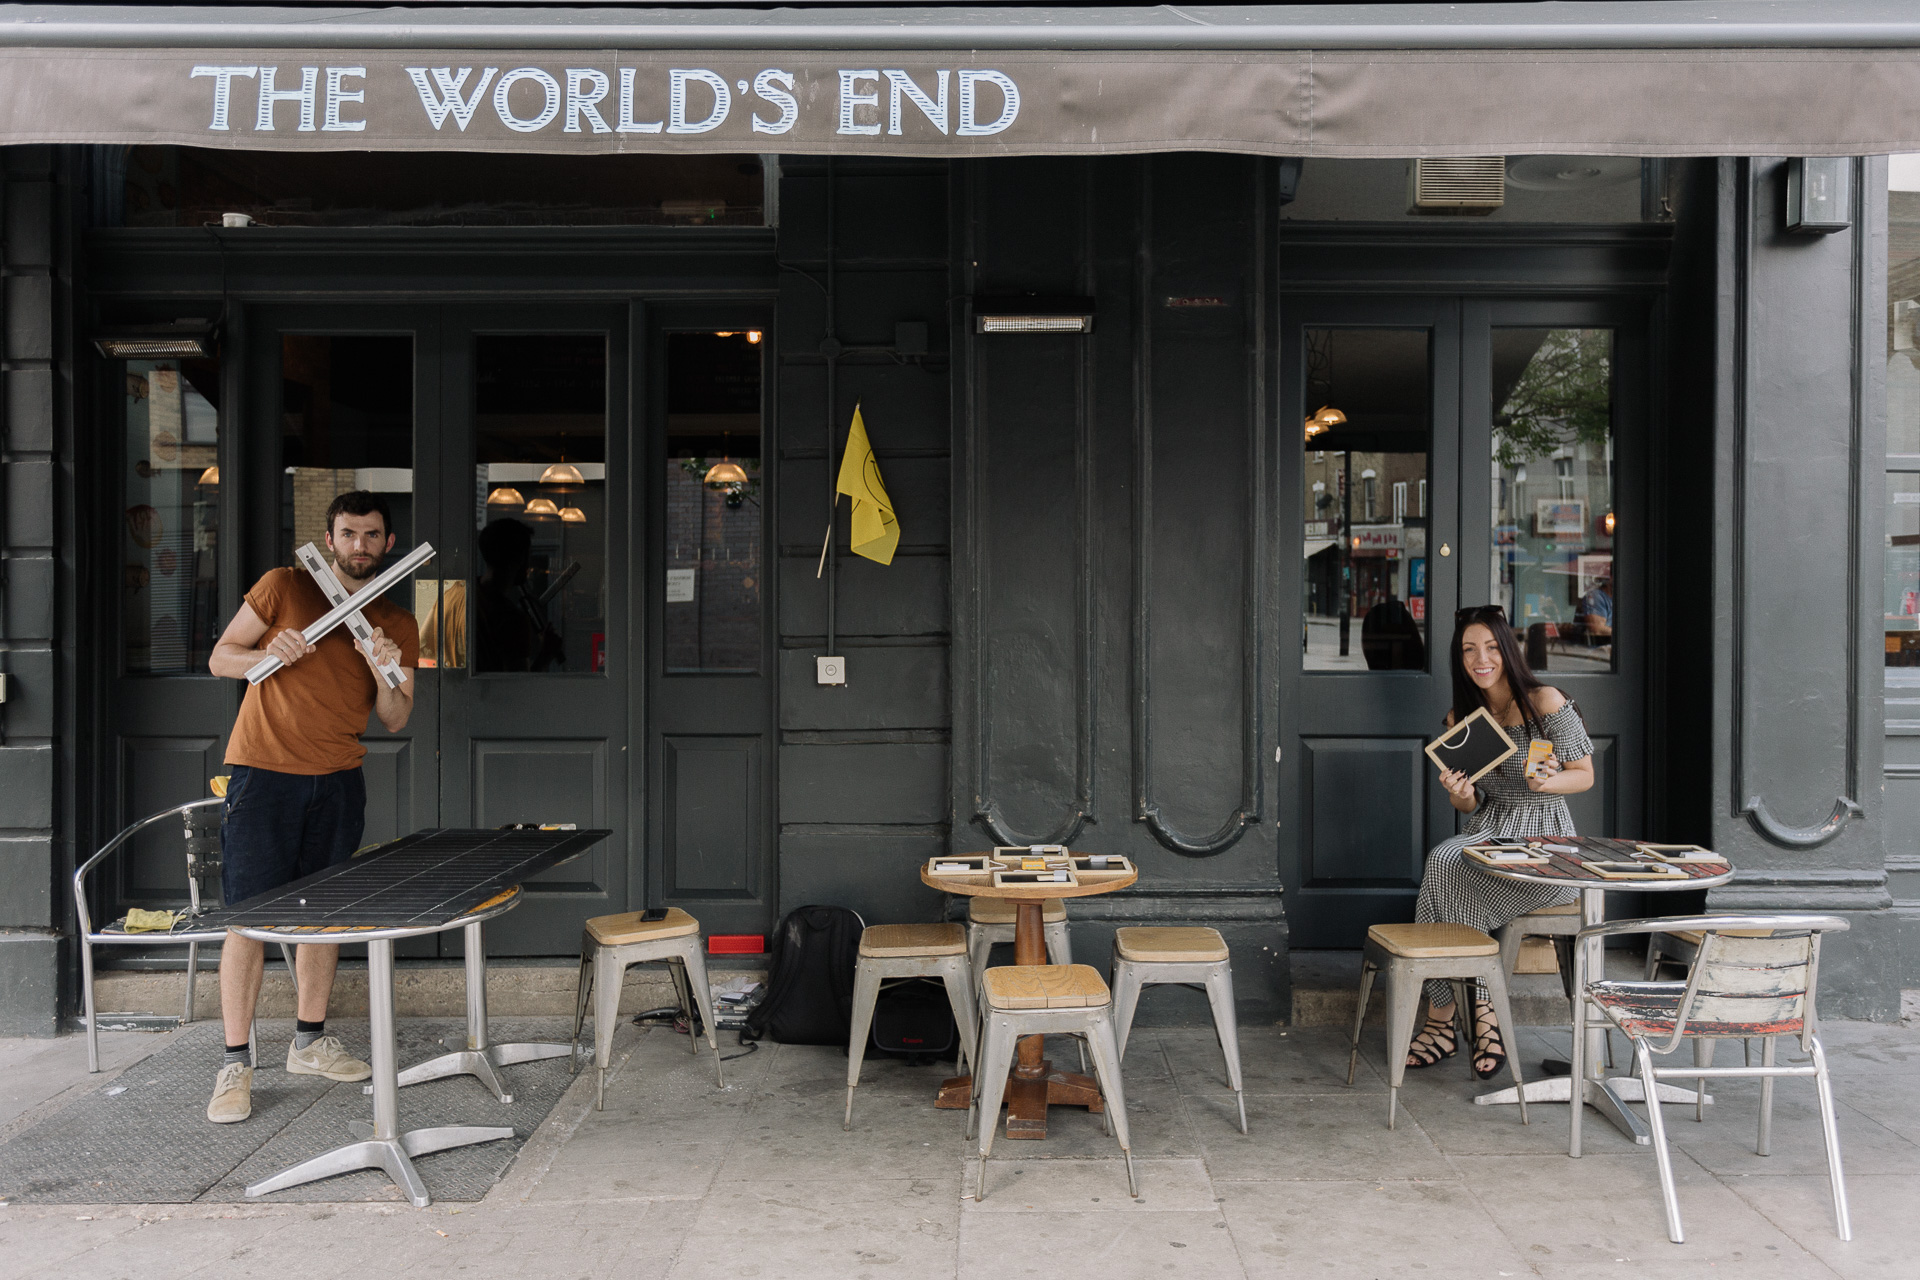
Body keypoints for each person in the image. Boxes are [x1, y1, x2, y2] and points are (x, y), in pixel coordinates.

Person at [203, 492, 419, 1123]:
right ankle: (235, 1062)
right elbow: (221, 658)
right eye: (348, 534)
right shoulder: (283, 588)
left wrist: (384, 669)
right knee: (247, 916)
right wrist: (272, 653)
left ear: (387, 543)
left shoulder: (396, 622)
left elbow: (398, 714)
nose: (359, 546)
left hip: (338, 779)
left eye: (371, 536)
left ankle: (309, 1041)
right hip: (263, 773)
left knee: (326, 914)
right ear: (329, 539)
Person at [1407, 604, 1595, 1080]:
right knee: (1447, 863)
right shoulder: (1463, 717)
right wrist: (1462, 796)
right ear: (1459, 658)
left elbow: (1585, 775)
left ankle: (1444, 1020)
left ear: (1507, 650)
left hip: (1545, 841)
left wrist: (1545, 784)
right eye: (1469, 650)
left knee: (1445, 868)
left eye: (1490, 647)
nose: (1480, 658)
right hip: (1488, 831)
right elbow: (1474, 803)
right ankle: (1481, 1012)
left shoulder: (1545, 701)